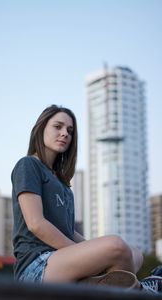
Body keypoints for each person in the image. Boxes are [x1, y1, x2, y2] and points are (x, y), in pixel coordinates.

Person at [11, 104, 162, 293]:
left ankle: (107, 286)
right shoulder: (28, 165)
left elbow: (69, 231)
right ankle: (141, 289)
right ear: (41, 128)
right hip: (37, 267)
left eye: (70, 130)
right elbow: (36, 224)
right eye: (58, 127)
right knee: (116, 246)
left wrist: (93, 254)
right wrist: (93, 254)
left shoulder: (64, 186)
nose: (65, 133)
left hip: (63, 262)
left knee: (134, 253)